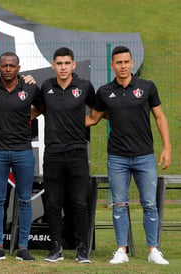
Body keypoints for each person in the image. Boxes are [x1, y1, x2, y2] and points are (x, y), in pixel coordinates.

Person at [86, 45, 171, 265]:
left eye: (126, 62)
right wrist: (61, 117)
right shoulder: (104, 92)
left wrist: (167, 147)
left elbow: (160, 117)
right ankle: (121, 250)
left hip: (145, 156)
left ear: (132, 63)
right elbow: (93, 118)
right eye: (118, 62)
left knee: (149, 204)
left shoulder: (147, 87)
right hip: (117, 158)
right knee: (120, 204)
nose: (123, 66)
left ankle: (153, 250)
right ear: (112, 65)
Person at [37, 47, 95, 264]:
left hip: (77, 154)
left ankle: (82, 250)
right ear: (53, 65)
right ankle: (55, 249)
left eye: (66, 63)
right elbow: (39, 109)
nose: (63, 67)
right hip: (52, 154)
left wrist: (80, 125)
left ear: (74, 64)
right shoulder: (46, 87)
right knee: (53, 203)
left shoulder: (84, 86)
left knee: (79, 203)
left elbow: (96, 112)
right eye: (59, 63)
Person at [0, 52, 42, 262]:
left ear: (19, 68)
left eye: (12, 66)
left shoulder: (30, 87)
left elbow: (42, 106)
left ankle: (23, 248)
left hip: (23, 151)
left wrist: (28, 116)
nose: (8, 69)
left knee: (25, 200)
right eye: (4, 65)